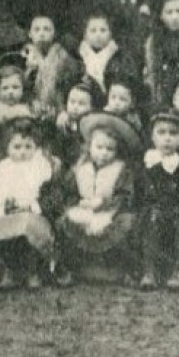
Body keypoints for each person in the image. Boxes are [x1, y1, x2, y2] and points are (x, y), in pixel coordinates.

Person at [0, 117, 62, 289]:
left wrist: (35, 206)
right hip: (7, 215)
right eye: (17, 147)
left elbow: (53, 198)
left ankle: (32, 272)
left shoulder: (42, 168)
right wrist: (3, 207)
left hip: (35, 216)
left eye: (28, 147)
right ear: (7, 148)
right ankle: (8, 271)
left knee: (27, 227)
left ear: (36, 148)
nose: (22, 152)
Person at [58, 115, 138, 281]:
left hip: (111, 210)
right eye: (99, 147)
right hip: (84, 208)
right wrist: (78, 203)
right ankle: (74, 269)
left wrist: (103, 203)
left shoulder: (121, 169)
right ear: (89, 147)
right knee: (67, 221)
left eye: (110, 149)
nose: (103, 153)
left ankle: (117, 269)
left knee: (126, 223)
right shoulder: (81, 167)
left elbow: (125, 195)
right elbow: (69, 191)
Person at [135, 110, 179, 290]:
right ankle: (149, 269)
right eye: (161, 133)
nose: (167, 138)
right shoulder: (147, 162)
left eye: (173, 133)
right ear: (152, 137)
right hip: (154, 209)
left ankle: (178, 268)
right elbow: (141, 192)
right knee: (152, 217)